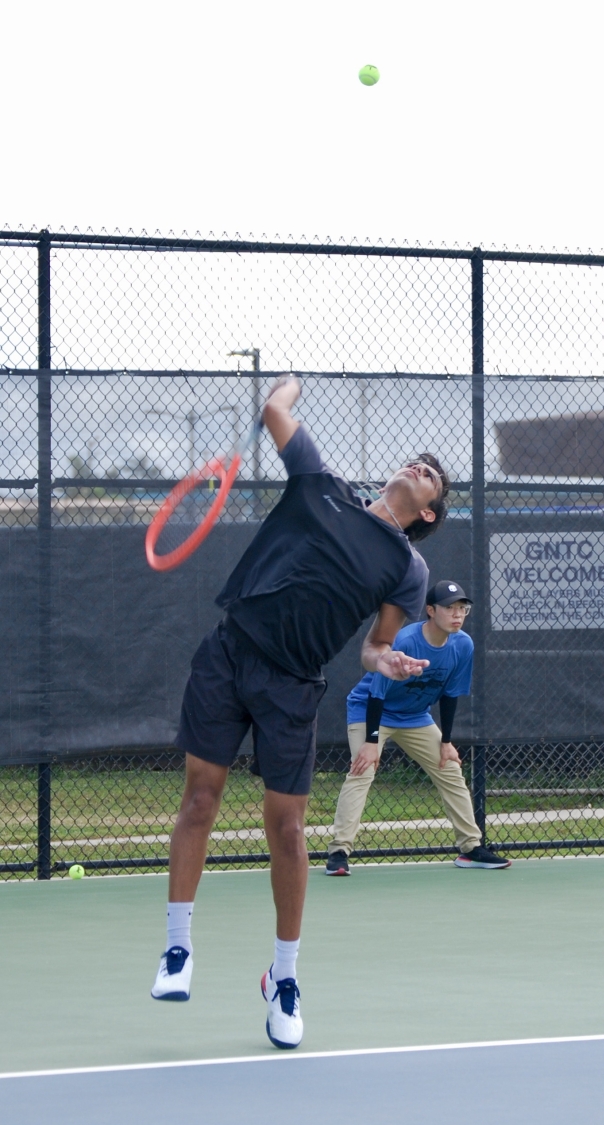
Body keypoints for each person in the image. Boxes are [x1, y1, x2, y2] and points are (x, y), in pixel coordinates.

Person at [150, 375, 450, 1050]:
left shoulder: (409, 570)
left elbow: (373, 645)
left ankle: (283, 978)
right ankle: (177, 948)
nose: (418, 467)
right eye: (416, 461)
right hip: (230, 652)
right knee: (200, 798)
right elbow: (274, 409)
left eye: (431, 475)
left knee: (287, 830)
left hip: (292, 686)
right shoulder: (320, 483)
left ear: (429, 512)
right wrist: (291, 383)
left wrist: (385, 661)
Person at [325, 581, 511, 875]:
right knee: (362, 770)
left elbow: (451, 694)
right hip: (371, 710)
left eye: (462, 608)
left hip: (414, 716)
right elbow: (376, 693)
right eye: (449, 608)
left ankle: (471, 848)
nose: (457, 614)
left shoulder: (463, 645)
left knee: (450, 769)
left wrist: (446, 741)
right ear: (430, 610)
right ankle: (338, 852)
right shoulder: (405, 640)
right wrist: (371, 742)